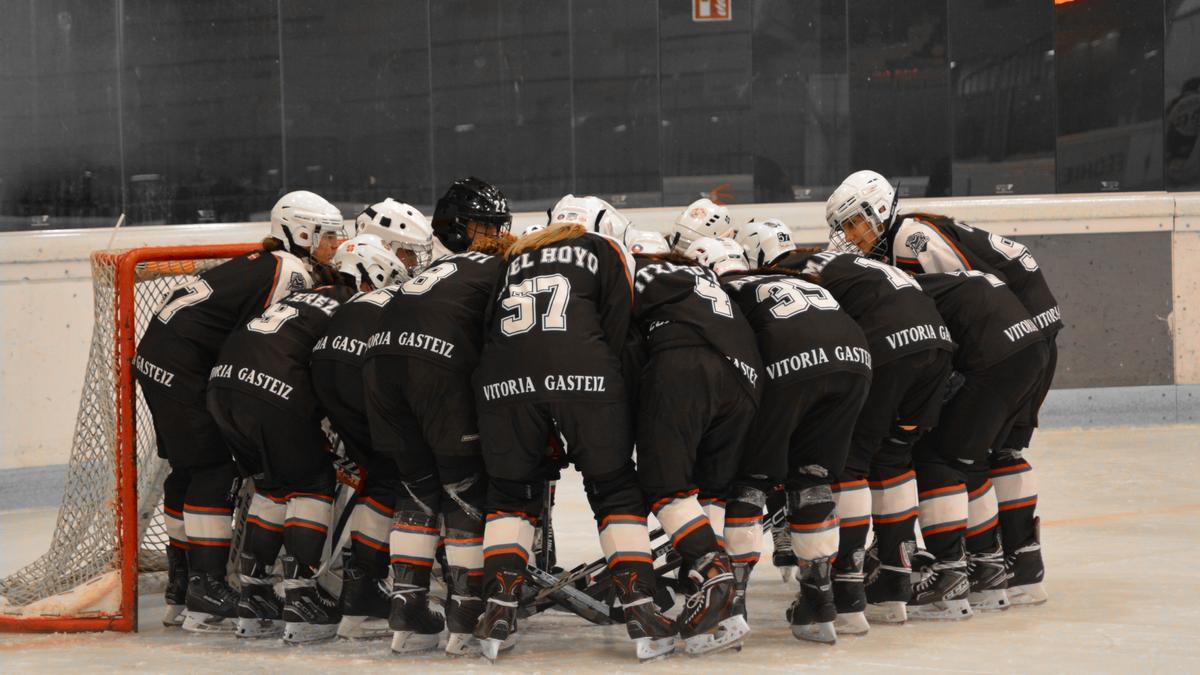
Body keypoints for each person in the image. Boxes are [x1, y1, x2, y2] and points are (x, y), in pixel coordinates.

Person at [827, 169, 1060, 604]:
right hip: (1031, 336)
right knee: (997, 451)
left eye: (854, 222)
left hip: (1006, 340)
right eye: (843, 227)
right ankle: (1018, 562)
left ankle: (971, 564)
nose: (849, 234)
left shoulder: (908, 237)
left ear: (880, 210)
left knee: (944, 454)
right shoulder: (908, 234)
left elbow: (964, 290)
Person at [560, 195, 761, 655]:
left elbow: (622, 354)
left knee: (662, 484)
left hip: (687, 367)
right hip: (747, 380)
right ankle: (722, 608)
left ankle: (714, 577)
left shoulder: (626, 273)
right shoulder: (696, 274)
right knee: (702, 490)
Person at [135, 190, 341, 631]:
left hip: (156, 357)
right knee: (215, 470)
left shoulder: (264, 261)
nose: (333, 247)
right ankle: (207, 589)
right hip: (184, 365)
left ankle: (183, 584)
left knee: (187, 472)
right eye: (327, 237)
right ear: (301, 232)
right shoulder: (292, 270)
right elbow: (266, 348)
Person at [472, 219, 675, 663]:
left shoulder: (513, 256)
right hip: (586, 371)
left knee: (509, 493)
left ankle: (498, 610)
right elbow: (621, 322)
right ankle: (640, 607)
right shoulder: (605, 247)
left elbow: (489, 325)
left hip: (504, 380)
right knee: (614, 486)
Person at [207, 236, 399, 643]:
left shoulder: (307, 295)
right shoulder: (355, 305)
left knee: (274, 486)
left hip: (221, 385)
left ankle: (255, 596)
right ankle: (302, 597)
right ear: (372, 276)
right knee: (311, 483)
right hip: (272, 390)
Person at [692, 234, 872, 644]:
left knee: (749, 479)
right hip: (856, 362)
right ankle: (820, 604)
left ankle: (730, 604)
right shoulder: (790, 281)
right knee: (812, 478)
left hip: (792, 363)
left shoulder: (721, 292)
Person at [361, 178, 513, 656]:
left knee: (415, 487)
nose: (493, 234)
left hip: (379, 364)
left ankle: (406, 606)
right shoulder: (499, 266)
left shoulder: (440, 268)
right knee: (462, 489)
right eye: (485, 226)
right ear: (461, 228)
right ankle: (466, 610)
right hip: (434, 367)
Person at [775, 247, 954, 630]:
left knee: (850, 464)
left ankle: (846, 594)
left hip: (891, 347)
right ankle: (894, 581)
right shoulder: (853, 264)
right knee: (893, 457)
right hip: (938, 345)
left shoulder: (784, 270)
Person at [311, 206, 434, 640]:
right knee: (412, 475)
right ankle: (398, 590)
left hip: (323, 367)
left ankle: (357, 592)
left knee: (379, 476)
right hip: (359, 366)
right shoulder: (395, 298)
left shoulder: (334, 294)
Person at [904, 271, 1048, 619]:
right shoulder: (929, 279)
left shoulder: (897, 293)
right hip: (1036, 347)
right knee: (988, 455)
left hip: (996, 356)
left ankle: (961, 573)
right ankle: (1018, 563)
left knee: (937, 457)